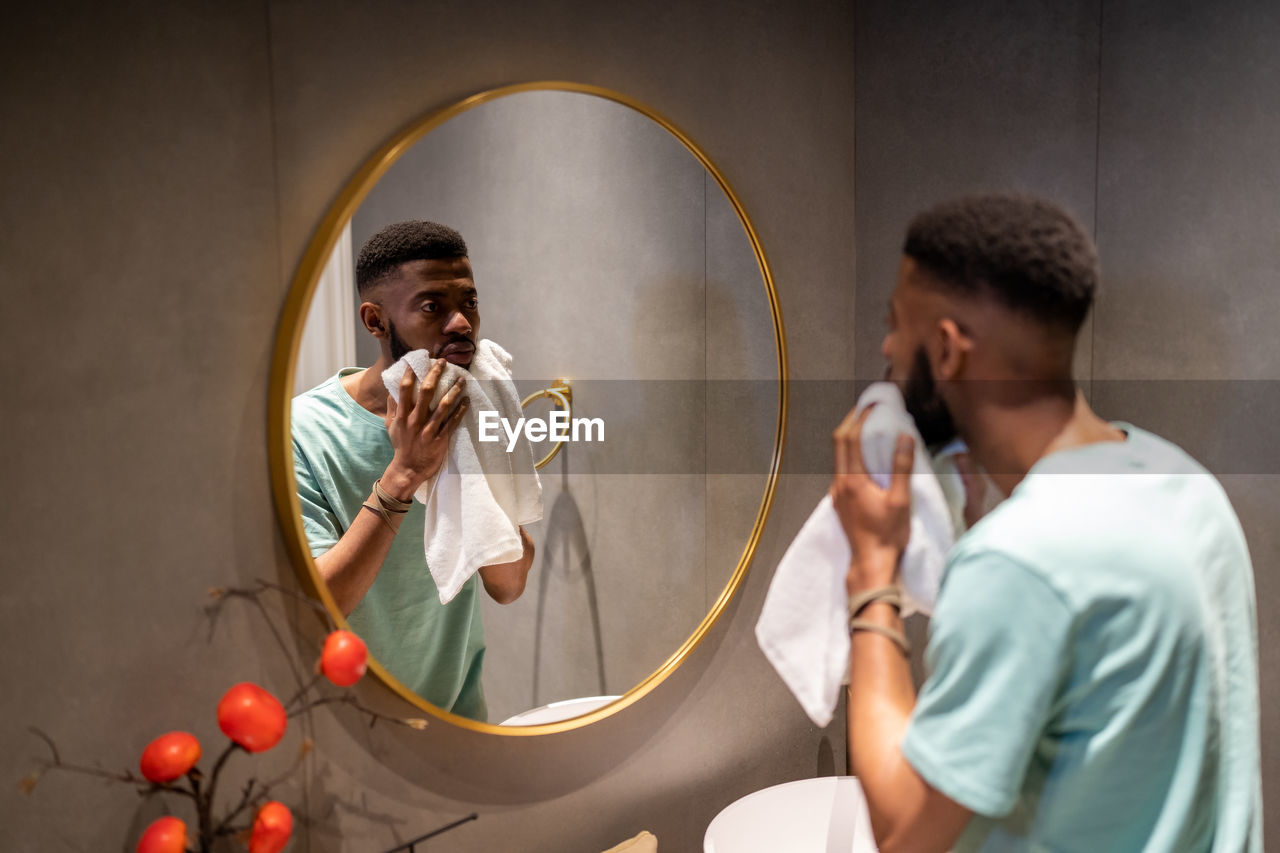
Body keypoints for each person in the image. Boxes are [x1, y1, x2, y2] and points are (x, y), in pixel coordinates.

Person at [831, 194, 1262, 851]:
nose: (888, 348)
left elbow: (901, 830)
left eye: (896, 324)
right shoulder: (1186, 485)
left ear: (947, 350)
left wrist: (871, 573)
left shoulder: (1021, 561)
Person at [292, 220, 535, 722]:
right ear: (375, 321)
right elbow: (318, 606)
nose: (462, 323)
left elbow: (508, 586)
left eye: (468, 301)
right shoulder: (303, 431)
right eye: (432, 307)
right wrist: (404, 472)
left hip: (460, 719)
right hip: (352, 725)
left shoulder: (475, 406)